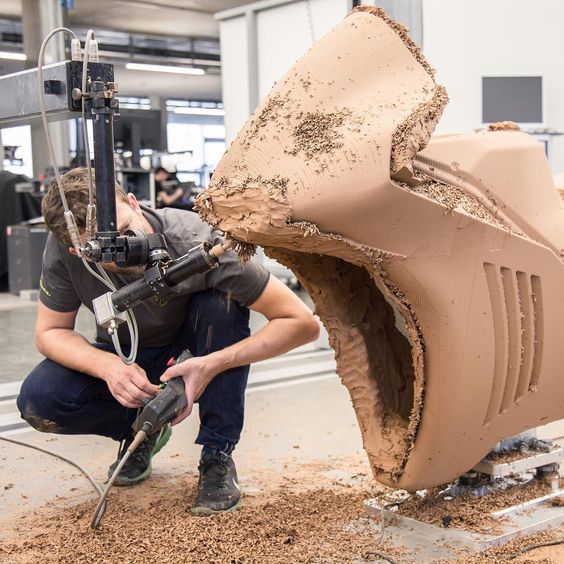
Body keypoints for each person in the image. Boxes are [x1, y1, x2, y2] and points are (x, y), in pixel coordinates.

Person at [16, 167, 320, 515]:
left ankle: (217, 454)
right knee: (40, 398)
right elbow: (50, 332)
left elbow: (301, 323)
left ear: (134, 202)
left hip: (194, 349)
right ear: (77, 251)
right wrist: (107, 367)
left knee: (220, 305)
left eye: (125, 230)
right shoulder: (63, 246)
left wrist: (212, 364)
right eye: (102, 250)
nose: (122, 252)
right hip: (126, 352)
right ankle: (142, 429)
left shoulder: (198, 241)